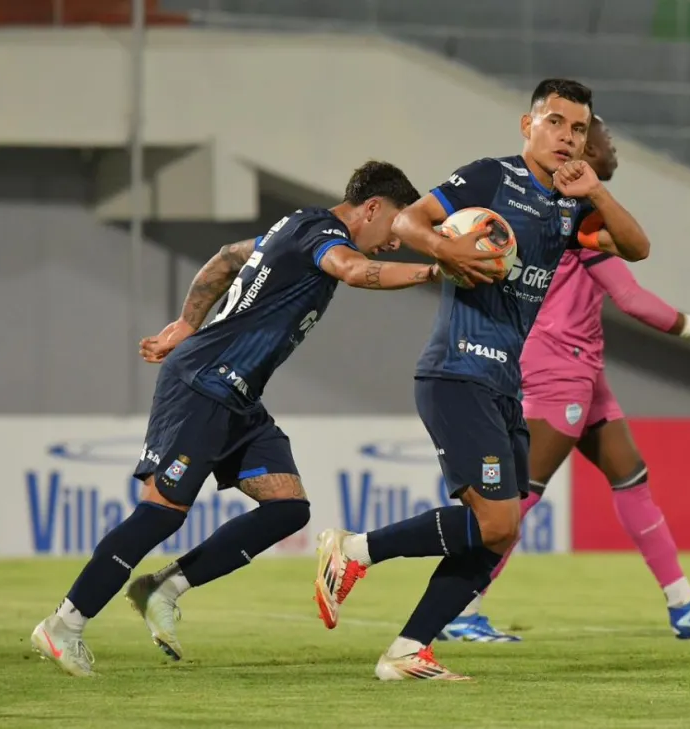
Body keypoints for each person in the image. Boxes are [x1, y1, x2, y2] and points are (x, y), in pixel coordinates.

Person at [29, 160, 470, 678]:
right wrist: (437, 269)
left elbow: (224, 259)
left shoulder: (293, 228)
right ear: (372, 208)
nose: (396, 241)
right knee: (161, 512)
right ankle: (65, 623)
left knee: (287, 508)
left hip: (238, 397)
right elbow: (352, 271)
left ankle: (163, 588)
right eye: (395, 226)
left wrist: (184, 323)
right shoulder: (325, 234)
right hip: (204, 383)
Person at [313, 79, 652, 681]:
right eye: (555, 123)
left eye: (578, 129)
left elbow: (637, 246)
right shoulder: (489, 177)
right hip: (456, 370)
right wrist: (448, 251)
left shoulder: (572, 206)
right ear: (529, 126)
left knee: (498, 533)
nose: (567, 138)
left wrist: (595, 189)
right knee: (500, 522)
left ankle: (409, 650)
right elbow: (411, 221)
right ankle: (353, 549)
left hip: (503, 383)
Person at [439, 116, 690, 644]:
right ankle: (459, 609)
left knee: (632, 477)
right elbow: (631, 299)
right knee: (516, 501)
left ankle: (683, 603)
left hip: (585, 370)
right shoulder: (572, 220)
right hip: (559, 369)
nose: (604, 144)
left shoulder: (581, 213)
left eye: (591, 132)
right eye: (595, 136)